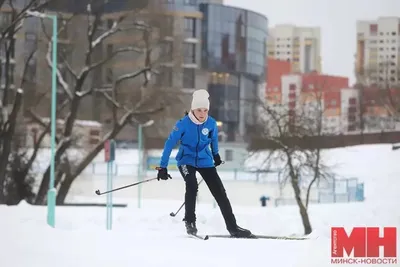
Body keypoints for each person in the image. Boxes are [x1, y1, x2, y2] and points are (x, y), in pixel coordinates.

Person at [156, 89, 252, 238]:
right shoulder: (182, 124)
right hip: (185, 161)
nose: (202, 113)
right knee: (192, 185)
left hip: (205, 161)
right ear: (193, 109)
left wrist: (216, 155)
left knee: (220, 192)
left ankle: (233, 227)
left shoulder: (211, 123)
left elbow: (213, 139)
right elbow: (169, 144)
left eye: (205, 110)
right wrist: (163, 167)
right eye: (199, 110)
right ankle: (190, 222)